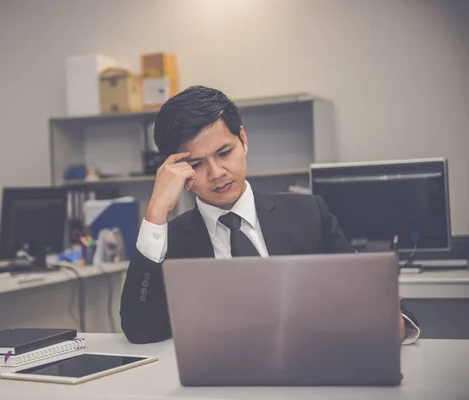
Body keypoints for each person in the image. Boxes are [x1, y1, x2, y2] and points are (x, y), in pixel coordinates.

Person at [120, 85, 420, 345]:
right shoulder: (167, 241)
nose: (217, 173)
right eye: (197, 163)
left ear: (244, 141)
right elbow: (140, 330)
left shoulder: (309, 215)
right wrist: (155, 214)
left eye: (224, 152)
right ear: (175, 168)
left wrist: (393, 323)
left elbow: (382, 307)